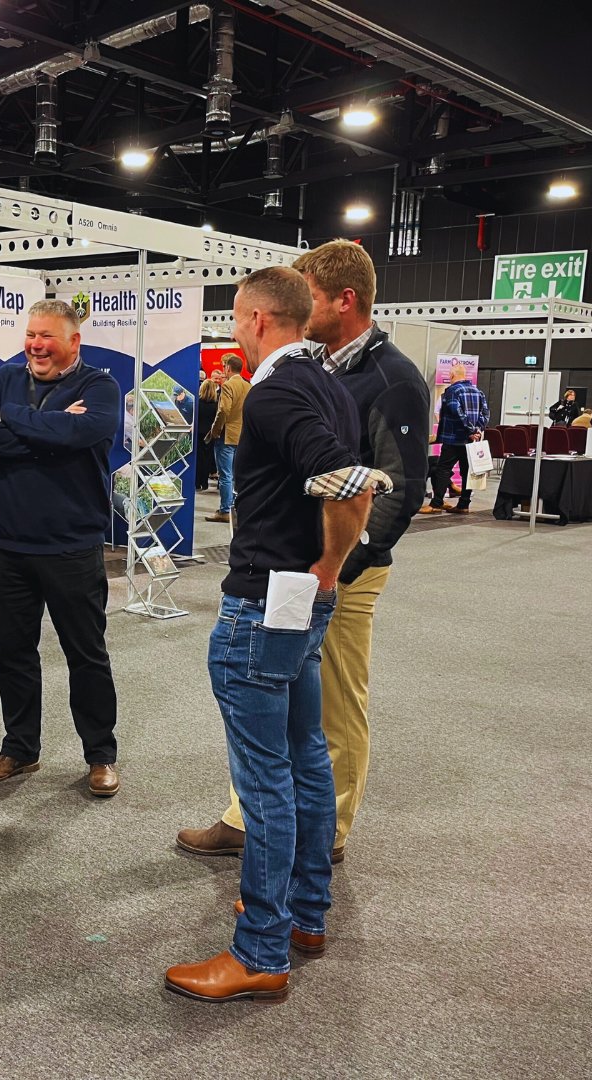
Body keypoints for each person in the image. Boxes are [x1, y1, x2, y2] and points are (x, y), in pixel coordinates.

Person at [177, 238, 431, 867]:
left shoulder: (391, 377)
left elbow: (396, 487)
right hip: (297, 566)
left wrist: (335, 566)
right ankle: (250, 819)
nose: (302, 309)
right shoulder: (323, 372)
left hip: (341, 568)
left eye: (311, 296)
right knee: (279, 707)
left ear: (344, 299)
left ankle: (328, 833)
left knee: (333, 708)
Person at [164, 267, 373, 1003]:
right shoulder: (330, 385)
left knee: (266, 781)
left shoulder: (280, 389)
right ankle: (303, 916)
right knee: (305, 759)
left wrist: (329, 564)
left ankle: (260, 951)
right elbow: (343, 480)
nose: (233, 332)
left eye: (234, 321)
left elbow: (349, 480)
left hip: (265, 603)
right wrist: (328, 572)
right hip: (295, 602)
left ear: (255, 319)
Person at [0, 299, 122, 797]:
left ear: (74, 341)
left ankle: (100, 755)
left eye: (47, 336)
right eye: (31, 334)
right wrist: (49, 427)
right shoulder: (10, 379)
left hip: (72, 546)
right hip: (9, 544)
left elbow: (87, 431)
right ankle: (19, 749)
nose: (35, 344)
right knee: (13, 653)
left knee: (86, 655)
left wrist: (12, 421)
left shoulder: (100, 386)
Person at [420, 362, 489, 514]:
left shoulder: (452, 391)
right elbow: (485, 414)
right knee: (467, 472)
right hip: (471, 440)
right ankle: (464, 504)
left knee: (443, 469)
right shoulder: (478, 392)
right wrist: (476, 430)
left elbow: (456, 411)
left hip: (453, 439)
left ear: (452, 375)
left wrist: (469, 429)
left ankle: (436, 503)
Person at [205, 354, 250, 522]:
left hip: (226, 436)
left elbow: (223, 410)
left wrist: (215, 431)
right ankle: (236, 508)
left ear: (228, 368)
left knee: (225, 476)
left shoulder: (228, 386)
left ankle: (225, 510)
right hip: (242, 436)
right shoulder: (248, 385)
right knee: (237, 475)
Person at [194, 379, 218, 490]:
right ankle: (205, 483)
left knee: (198, 458)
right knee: (207, 458)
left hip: (198, 432)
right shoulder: (216, 404)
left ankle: (197, 482)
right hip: (210, 434)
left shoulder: (197, 403)